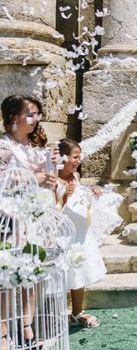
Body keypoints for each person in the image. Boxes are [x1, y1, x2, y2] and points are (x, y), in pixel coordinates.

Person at [0, 95, 55, 348]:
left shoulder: (37, 147)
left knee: (35, 273)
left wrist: (54, 180)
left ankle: (27, 326)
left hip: (37, 217)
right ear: (14, 117)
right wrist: (36, 177)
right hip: (11, 218)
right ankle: (2, 331)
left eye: (37, 114)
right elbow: (3, 179)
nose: (36, 119)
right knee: (10, 274)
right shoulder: (3, 146)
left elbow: (51, 182)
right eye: (30, 114)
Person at [56, 139, 107, 328]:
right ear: (62, 158)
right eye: (74, 157)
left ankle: (77, 312)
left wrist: (91, 192)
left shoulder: (76, 176)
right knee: (63, 274)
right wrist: (64, 194)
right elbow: (53, 208)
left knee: (79, 273)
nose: (78, 160)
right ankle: (57, 314)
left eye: (79, 156)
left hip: (79, 232)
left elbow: (81, 195)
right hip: (63, 234)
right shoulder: (55, 179)